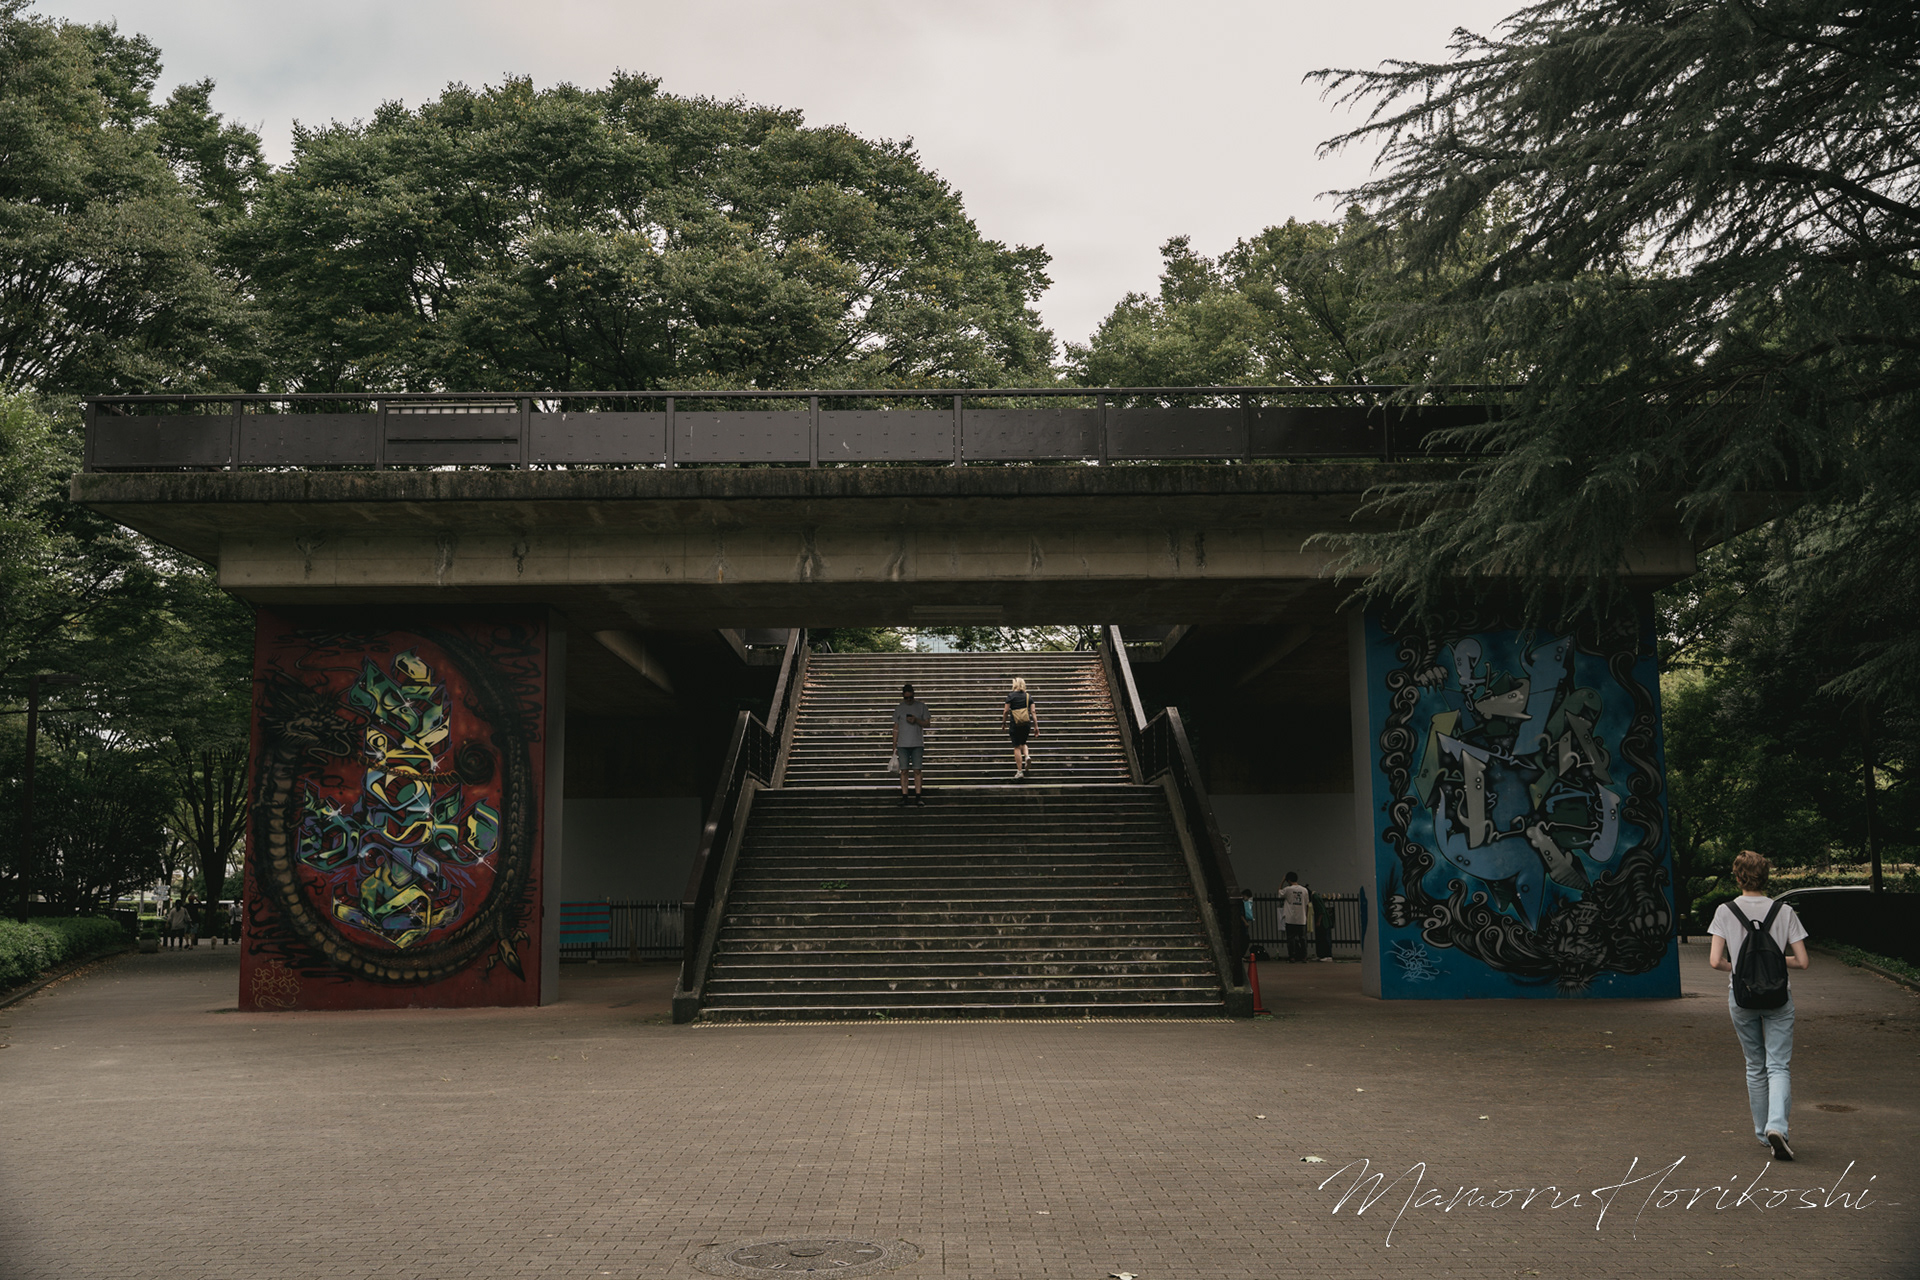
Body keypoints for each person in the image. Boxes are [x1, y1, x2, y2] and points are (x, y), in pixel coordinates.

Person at [1708, 850, 1811, 1162]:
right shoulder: (1784, 911)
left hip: (1741, 997)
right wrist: (1774, 963)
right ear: (1766, 877)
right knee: (1778, 1065)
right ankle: (1777, 1125)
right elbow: (1803, 961)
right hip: (1778, 997)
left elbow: (1715, 961)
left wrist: (1742, 970)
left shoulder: (1725, 911)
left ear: (1738, 877)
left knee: (1754, 1064)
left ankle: (1762, 1133)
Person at [893, 682, 932, 806]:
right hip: (903, 744)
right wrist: (894, 745)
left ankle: (918, 795)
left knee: (917, 770)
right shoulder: (899, 708)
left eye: (911, 697)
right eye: (906, 698)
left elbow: (927, 724)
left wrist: (916, 720)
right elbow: (896, 727)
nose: (909, 700)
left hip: (917, 743)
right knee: (904, 770)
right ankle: (905, 796)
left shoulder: (921, 706)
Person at [1001, 676, 1038, 779]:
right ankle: (1027, 756)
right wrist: (1036, 726)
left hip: (1015, 724)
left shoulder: (1011, 696)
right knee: (1023, 743)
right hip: (1026, 724)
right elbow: (1033, 712)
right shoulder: (1028, 696)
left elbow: (1006, 711)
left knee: (1017, 746)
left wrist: (1004, 722)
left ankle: (1020, 771)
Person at [1279, 872, 1311, 963]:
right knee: (1303, 938)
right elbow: (1307, 904)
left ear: (1288, 880)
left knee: (1291, 938)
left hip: (1290, 918)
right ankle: (1304, 956)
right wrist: (1306, 916)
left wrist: (1282, 881)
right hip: (1301, 918)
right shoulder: (1304, 890)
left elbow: (1279, 893)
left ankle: (1292, 956)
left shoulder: (1288, 889)